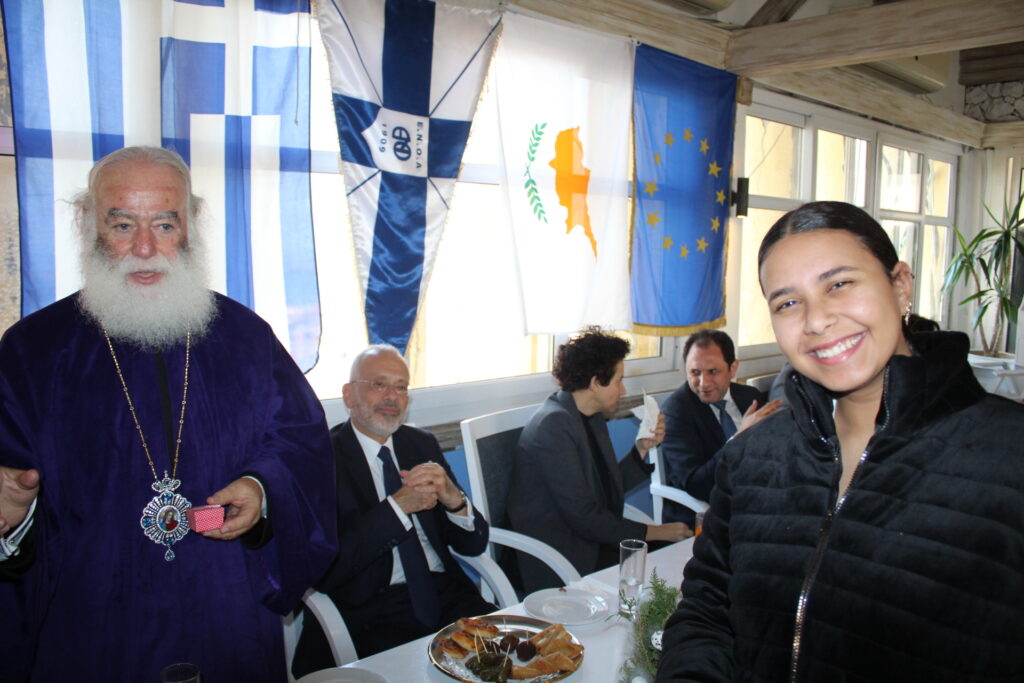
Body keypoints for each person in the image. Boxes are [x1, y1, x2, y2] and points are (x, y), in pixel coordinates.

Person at [0, 146, 337, 681]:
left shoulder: (245, 337)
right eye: (122, 225)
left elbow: (300, 444)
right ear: (88, 222)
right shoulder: (32, 352)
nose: (144, 248)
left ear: (190, 224)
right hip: (93, 629)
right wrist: (14, 519)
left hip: (224, 613)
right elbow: (11, 492)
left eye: (163, 224)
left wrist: (261, 488)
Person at [657, 201, 1024, 681]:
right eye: (788, 303)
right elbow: (707, 611)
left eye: (839, 284)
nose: (816, 320)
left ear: (900, 285)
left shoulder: (1009, 456)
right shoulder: (750, 458)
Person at [292, 345, 495, 677]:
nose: (392, 397)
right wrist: (397, 508)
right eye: (379, 384)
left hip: (444, 596)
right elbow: (326, 570)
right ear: (348, 395)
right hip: (369, 612)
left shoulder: (421, 444)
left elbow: (473, 545)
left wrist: (453, 499)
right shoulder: (321, 460)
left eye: (401, 387)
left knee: (512, 658)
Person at [507, 328, 690, 593]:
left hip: (589, 540)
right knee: (668, 560)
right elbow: (586, 517)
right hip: (564, 553)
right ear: (595, 383)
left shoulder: (589, 416)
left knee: (676, 560)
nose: (623, 389)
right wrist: (656, 531)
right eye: (618, 380)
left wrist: (641, 449)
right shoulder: (553, 427)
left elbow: (604, 490)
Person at [660, 329, 779, 524]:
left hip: (760, 499)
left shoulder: (749, 396)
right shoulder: (676, 412)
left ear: (733, 369)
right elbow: (696, 484)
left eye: (713, 372)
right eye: (695, 372)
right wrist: (739, 438)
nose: (704, 383)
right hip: (711, 514)